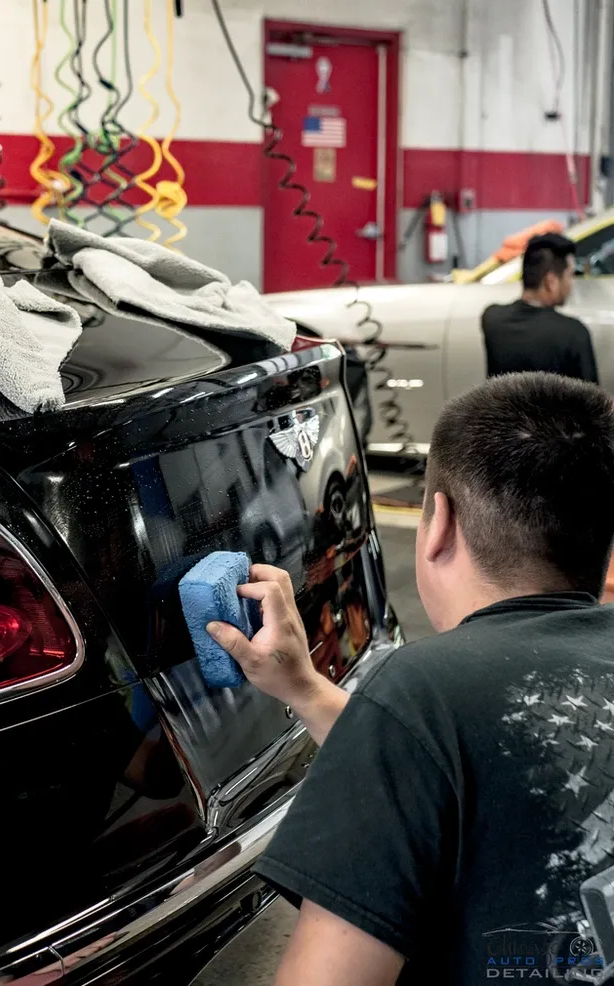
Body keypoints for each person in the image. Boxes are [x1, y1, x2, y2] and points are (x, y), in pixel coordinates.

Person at [206, 372, 614, 985]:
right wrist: (305, 688)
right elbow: (462, 758)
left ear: (439, 523)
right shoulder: (430, 709)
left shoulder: (421, 687)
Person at [482, 233, 599, 382]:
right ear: (551, 282)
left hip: (503, 406)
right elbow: (592, 401)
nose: (571, 283)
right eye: (569, 275)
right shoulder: (574, 334)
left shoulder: (492, 319)